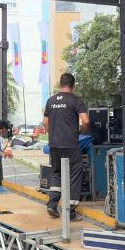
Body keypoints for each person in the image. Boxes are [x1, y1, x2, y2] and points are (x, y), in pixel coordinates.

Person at [43, 73, 90, 220]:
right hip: (70, 144)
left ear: (60, 84)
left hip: (54, 145)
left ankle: (52, 205)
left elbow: (45, 122)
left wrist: (53, 134)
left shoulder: (50, 101)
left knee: (57, 173)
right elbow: (86, 120)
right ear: (73, 85)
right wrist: (81, 130)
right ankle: (70, 213)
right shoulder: (75, 100)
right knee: (74, 174)